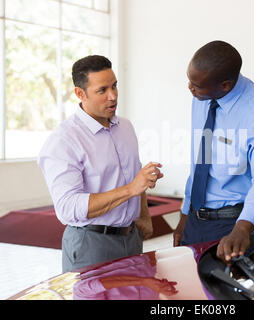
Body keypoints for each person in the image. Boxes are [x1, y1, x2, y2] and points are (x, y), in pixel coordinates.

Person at [38, 55, 163, 272]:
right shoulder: (64, 141)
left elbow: (135, 176)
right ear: (80, 93)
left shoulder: (125, 127)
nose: (113, 96)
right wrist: (130, 189)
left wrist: (143, 213)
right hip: (91, 245)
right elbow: (68, 207)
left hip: (131, 239)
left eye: (114, 86)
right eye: (102, 90)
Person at [173, 41, 254, 263]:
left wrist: (243, 228)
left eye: (196, 85)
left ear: (224, 85)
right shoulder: (203, 97)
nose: (190, 88)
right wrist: (185, 217)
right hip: (195, 220)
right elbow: (200, 162)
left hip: (231, 227)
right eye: (189, 80)